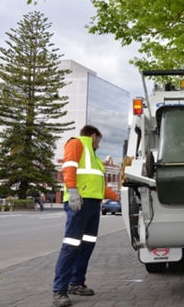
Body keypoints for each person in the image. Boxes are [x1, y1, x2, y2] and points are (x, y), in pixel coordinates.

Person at [52, 125, 120, 307]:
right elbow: (68, 167)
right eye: (99, 139)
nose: (99, 143)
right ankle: (59, 290)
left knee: (86, 245)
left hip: (92, 204)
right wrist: (73, 190)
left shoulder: (94, 157)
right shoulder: (77, 143)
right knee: (72, 245)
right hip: (79, 202)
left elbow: (98, 185)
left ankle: (76, 282)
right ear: (93, 135)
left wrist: (118, 196)